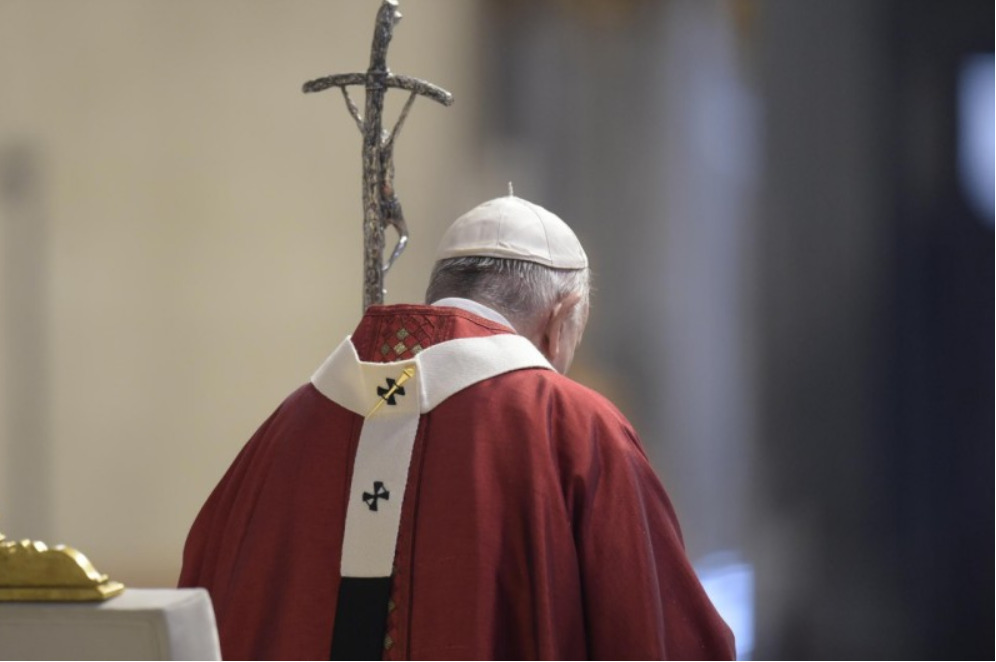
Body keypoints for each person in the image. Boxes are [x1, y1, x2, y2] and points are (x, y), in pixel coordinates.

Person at [179, 195, 735, 660]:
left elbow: (196, 614)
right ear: (561, 317)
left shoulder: (287, 427)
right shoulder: (575, 428)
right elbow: (664, 639)